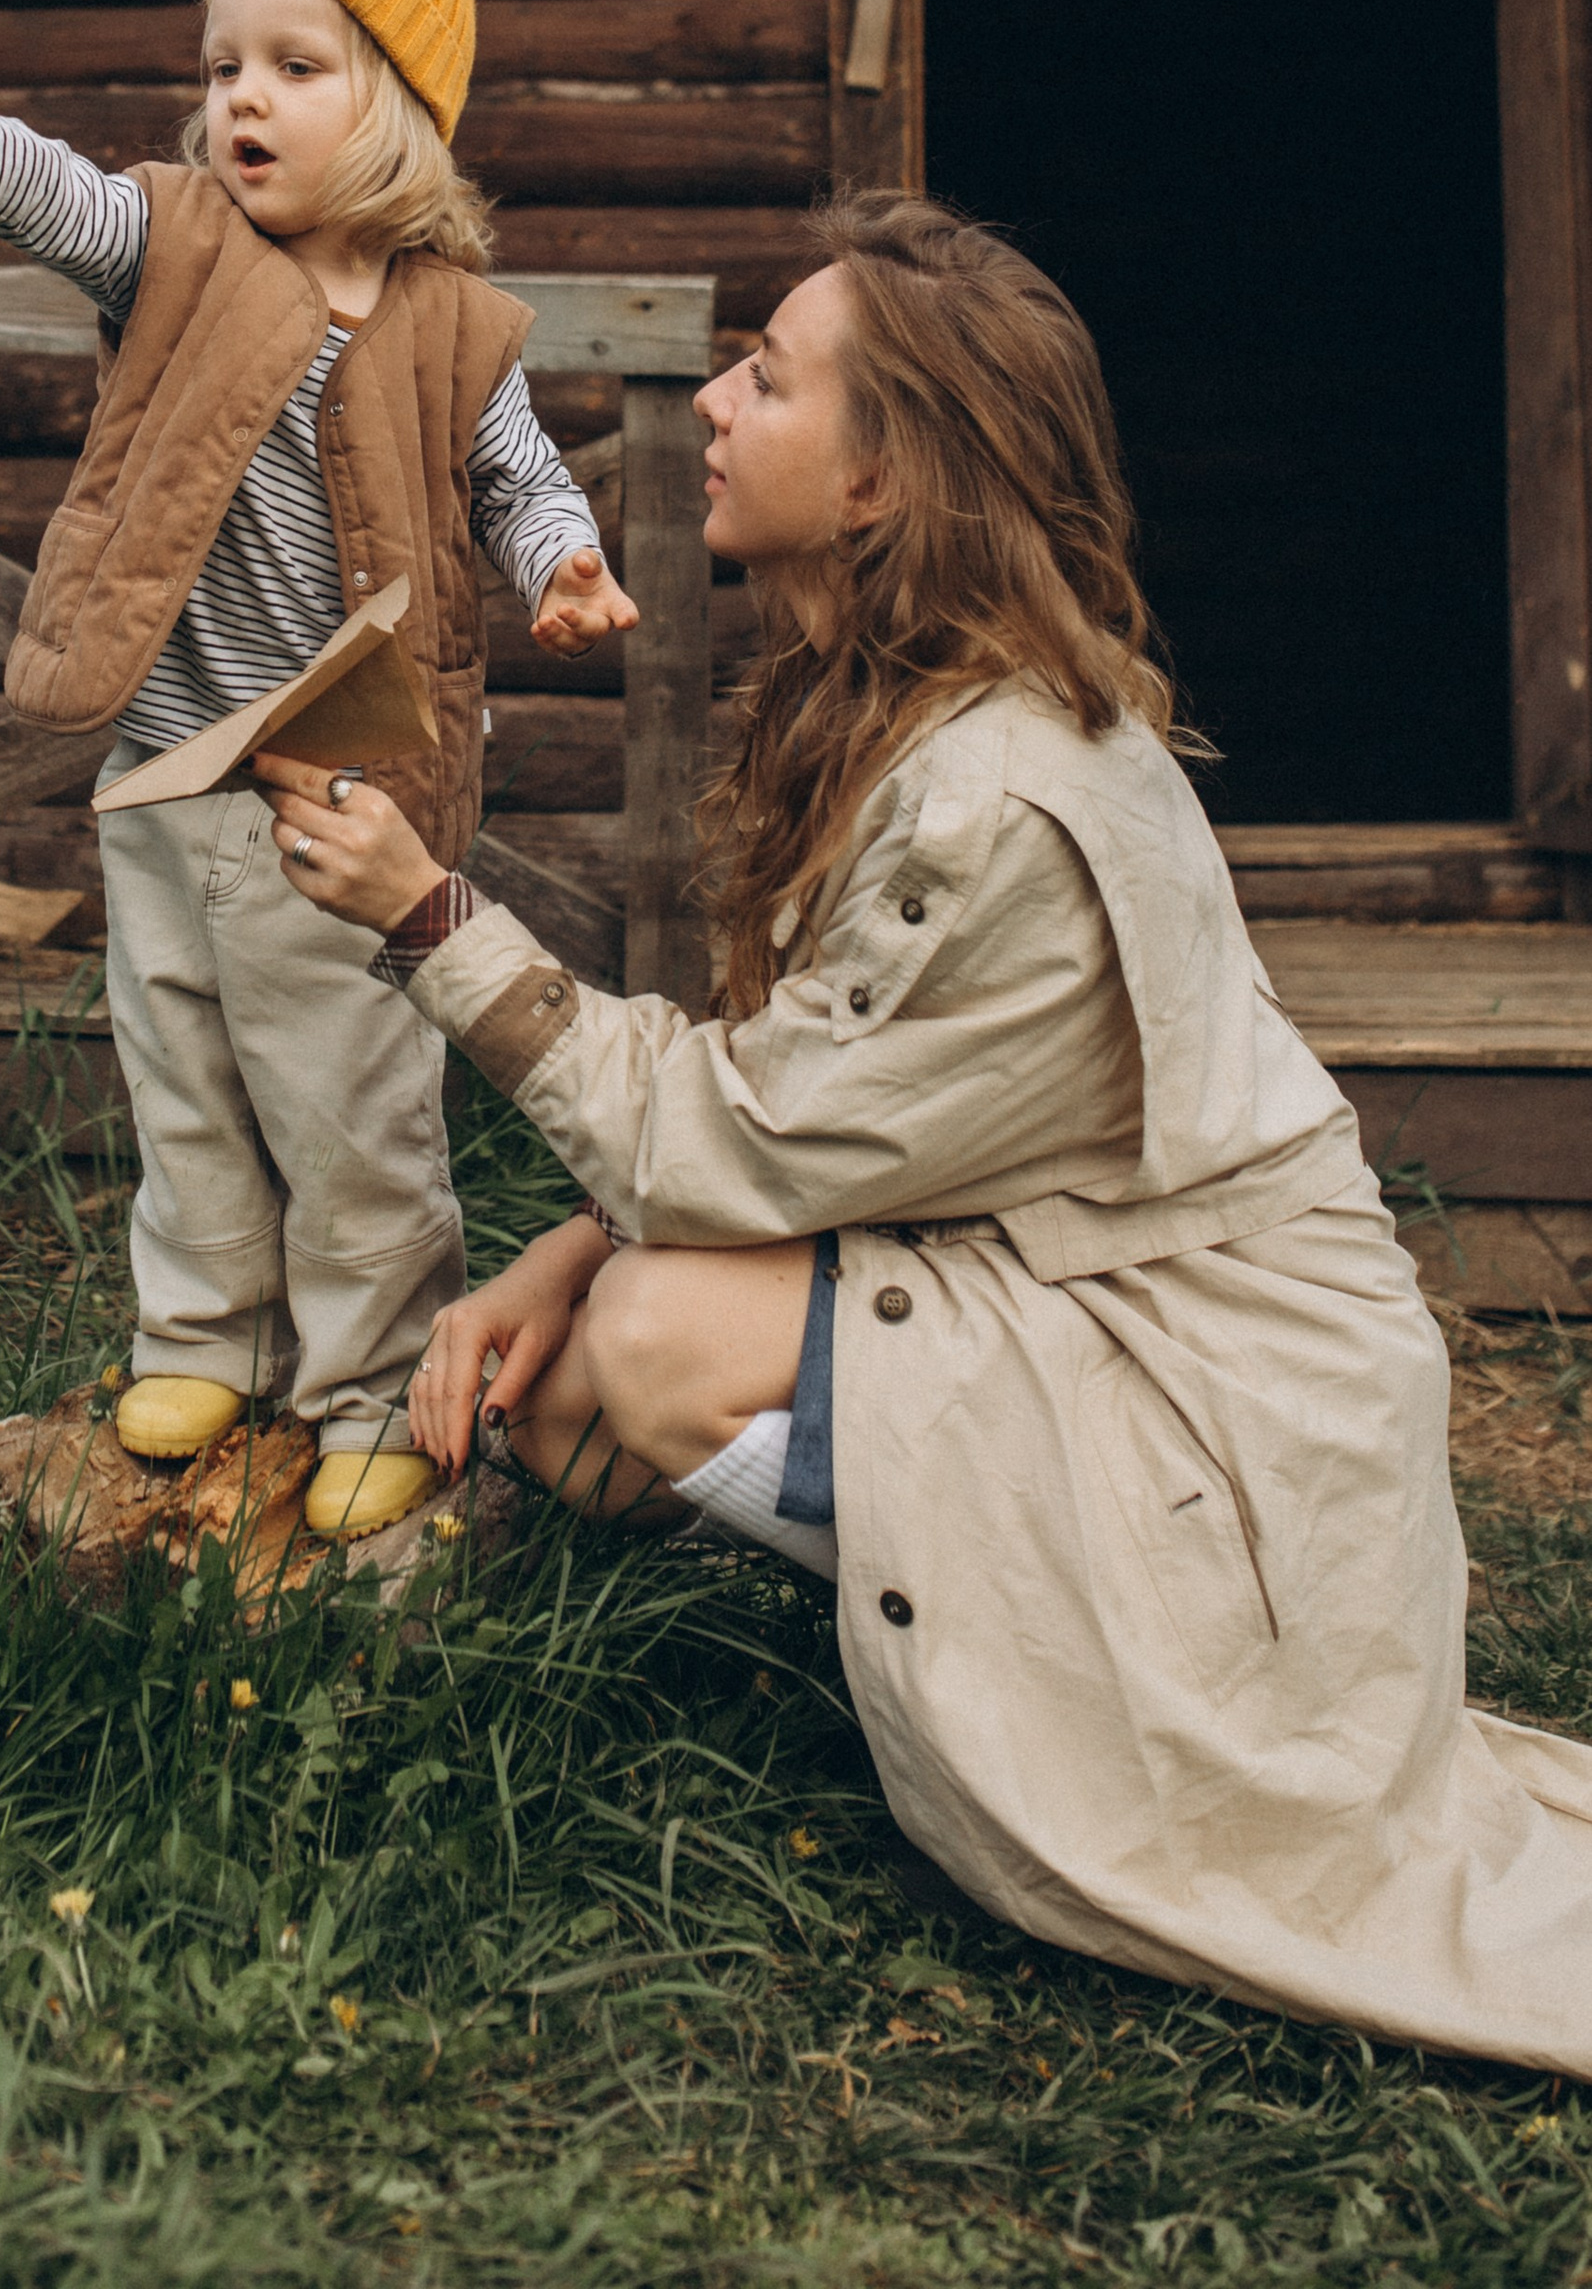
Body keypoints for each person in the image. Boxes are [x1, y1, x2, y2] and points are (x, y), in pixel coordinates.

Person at [258, 188, 1592, 2076]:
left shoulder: (998, 805)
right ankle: (908, 1592)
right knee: (563, 1386)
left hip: (1218, 1394)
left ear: (884, 483)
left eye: (767, 378)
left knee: (640, 1349)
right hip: (1061, 1273)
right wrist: (569, 1239)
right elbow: (824, 1107)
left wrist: (429, 918)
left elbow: (732, 1149)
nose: (716, 403)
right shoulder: (891, 701)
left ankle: (1052, 1652)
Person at [0, 0, 636, 1542]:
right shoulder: (176, 249)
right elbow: (46, 183)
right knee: (187, 1073)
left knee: (351, 1104)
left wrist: (563, 563)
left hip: (339, 802)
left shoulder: (455, 326)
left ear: (404, 110)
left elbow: (520, 481)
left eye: (298, 68)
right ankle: (203, 1335)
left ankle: (368, 1385)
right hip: (163, 764)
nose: (243, 104)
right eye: (222, 68)